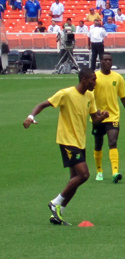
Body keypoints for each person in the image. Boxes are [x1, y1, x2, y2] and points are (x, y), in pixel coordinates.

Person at [23, 68, 110, 225]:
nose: (95, 83)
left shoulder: (90, 95)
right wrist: (31, 116)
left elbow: (94, 119)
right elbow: (43, 104)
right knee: (84, 175)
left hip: (80, 142)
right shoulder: (66, 94)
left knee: (74, 179)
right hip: (67, 141)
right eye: (93, 80)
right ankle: (55, 203)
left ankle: (58, 214)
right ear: (84, 80)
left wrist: (102, 117)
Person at [91, 53, 125, 183]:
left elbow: (123, 97)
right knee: (98, 144)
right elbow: (90, 97)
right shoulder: (95, 77)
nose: (108, 62)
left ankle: (115, 171)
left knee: (112, 142)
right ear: (100, 61)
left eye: (110, 60)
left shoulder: (118, 77)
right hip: (98, 117)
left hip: (113, 115)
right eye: (105, 60)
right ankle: (99, 171)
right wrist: (94, 111)